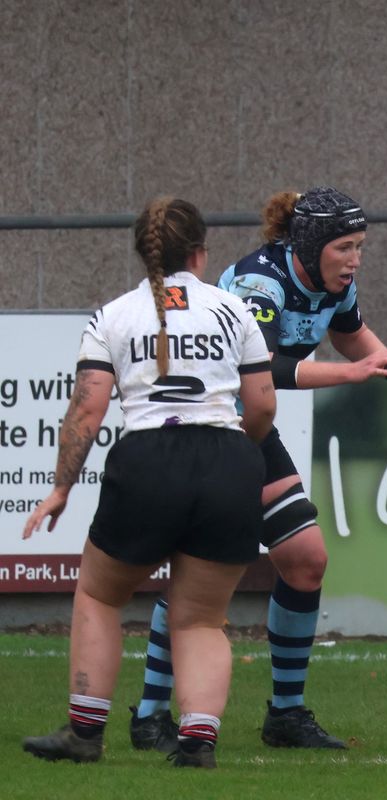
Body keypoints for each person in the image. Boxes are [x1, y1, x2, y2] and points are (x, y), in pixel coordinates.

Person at [129, 187, 387, 751]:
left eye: (360, 246)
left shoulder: (334, 282)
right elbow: (266, 368)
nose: (355, 259)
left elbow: (357, 345)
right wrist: (356, 374)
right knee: (199, 571)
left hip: (247, 428)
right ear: (312, 244)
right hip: (209, 426)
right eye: (345, 247)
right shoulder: (261, 282)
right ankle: (151, 715)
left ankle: (286, 716)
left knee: (305, 560)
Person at [21, 197, 276, 768]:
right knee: (201, 618)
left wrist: (62, 487)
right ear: (200, 252)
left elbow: (87, 411)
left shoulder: (113, 315)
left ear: (145, 254)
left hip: (149, 460)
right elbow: (260, 406)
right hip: (228, 459)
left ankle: (85, 734)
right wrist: (238, 455)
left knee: (99, 593)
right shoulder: (234, 310)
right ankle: (197, 745)